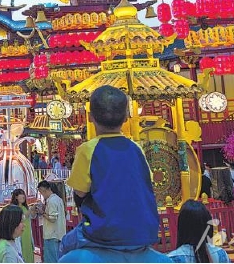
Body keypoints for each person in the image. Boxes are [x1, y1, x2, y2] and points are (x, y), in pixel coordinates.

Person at [61, 85, 164, 263]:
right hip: (143, 233)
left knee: (65, 244)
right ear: (126, 117)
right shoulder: (136, 149)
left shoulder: (87, 150)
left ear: (90, 116)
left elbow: (80, 192)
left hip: (103, 233)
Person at [36, 180, 65, 263]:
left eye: (42, 192)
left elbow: (52, 218)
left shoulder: (51, 201)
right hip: (58, 234)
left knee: (51, 260)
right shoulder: (58, 199)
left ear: (46, 190)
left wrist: (42, 213)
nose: (42, 194)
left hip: (51, 235)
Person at [10, 189, 35, 263]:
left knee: (29, 251)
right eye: (21, 194)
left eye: (23, 194)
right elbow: (20, 219)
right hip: (20, 234)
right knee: (21, 252)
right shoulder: (13, 208)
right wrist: (29, 211)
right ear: (16, 197)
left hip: (27, 233)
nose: (23, 196)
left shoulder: (25, 207)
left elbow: (31, 217)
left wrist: (34, 211)